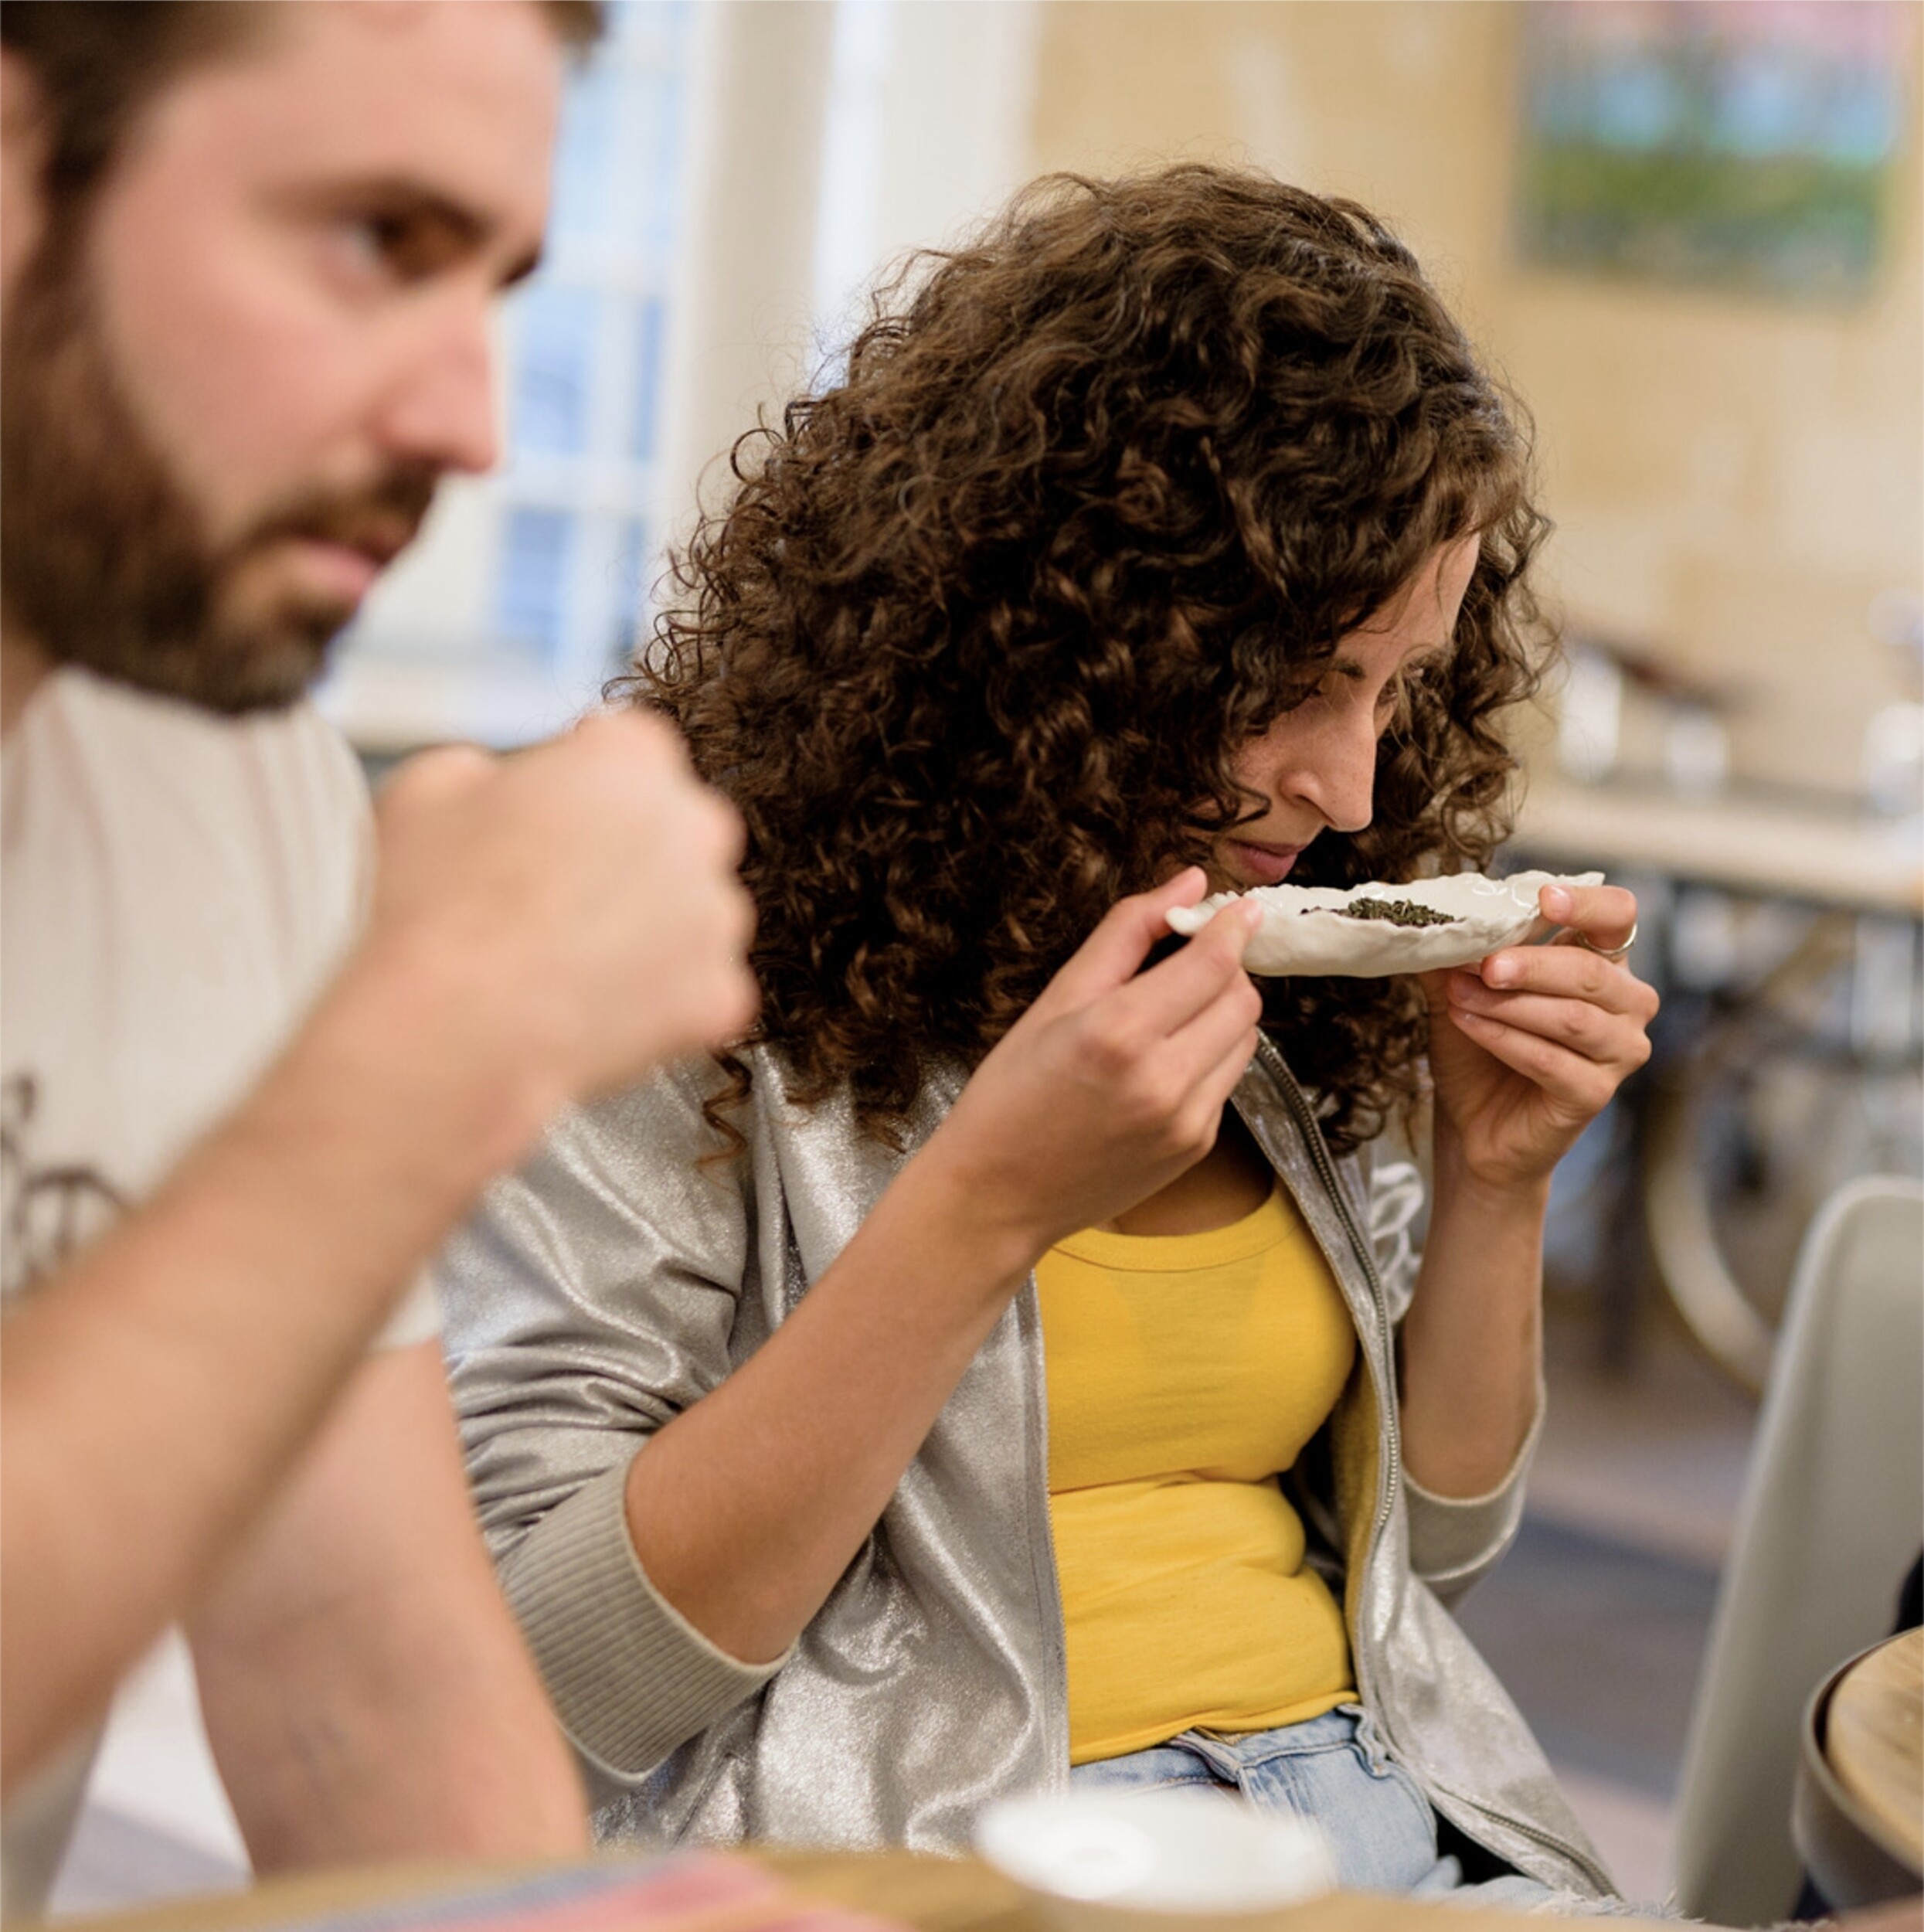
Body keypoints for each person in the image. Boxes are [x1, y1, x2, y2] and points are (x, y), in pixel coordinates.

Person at [441, 169, 1658, 1901]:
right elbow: (571, 1678)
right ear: (1069, 635)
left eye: (1397, 686)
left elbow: (1424, 1569)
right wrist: (982, 1205)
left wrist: (1496, 1179)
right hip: (963, 1856)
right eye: (1298, 681)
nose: (1354, 784)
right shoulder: (665, 970)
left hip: (1385, 1824)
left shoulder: (1250, 951)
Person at [0, 2, 756, 1915]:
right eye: (375, 244)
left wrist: (551, 1916)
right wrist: (425, 1049)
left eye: (494, 281)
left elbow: (353, 1657)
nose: (470, 422)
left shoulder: (223, 770)